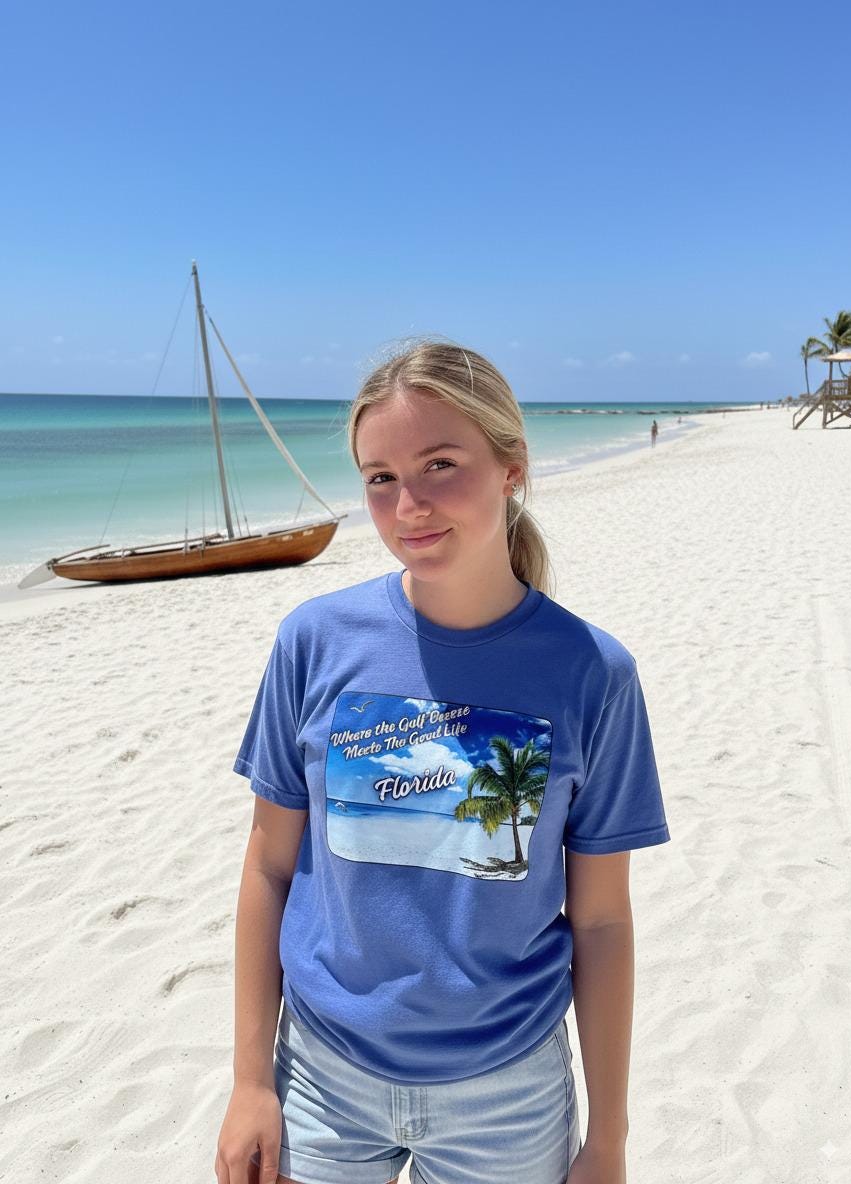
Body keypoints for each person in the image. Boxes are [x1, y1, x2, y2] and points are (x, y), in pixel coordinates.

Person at [215, 340, 671, 1184]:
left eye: (440, 463)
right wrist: (250, 1082)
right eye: (380, 477)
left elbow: (602, 922)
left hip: (509, 1092)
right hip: (322, 1075)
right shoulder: (313, 643)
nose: (409, 504)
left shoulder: (591, 674)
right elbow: (270, 863)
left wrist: (608, 1137)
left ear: (512, 469)